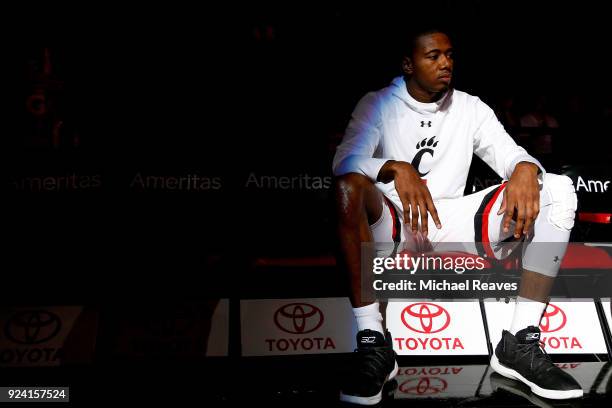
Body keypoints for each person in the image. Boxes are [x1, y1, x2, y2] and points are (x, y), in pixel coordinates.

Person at [333, 27, 580, 405]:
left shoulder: (469, 106)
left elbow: (510, 153)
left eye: (449, 55)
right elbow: (343, 162)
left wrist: (525, 168)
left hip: (455, 219)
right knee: (349, 187)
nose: (445, 63)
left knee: (558, 189)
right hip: (397, 224)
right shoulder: (378, 103)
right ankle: (372, 343)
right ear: (408, 64)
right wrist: (394, 167)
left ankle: (519, 344)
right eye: (433, 56)